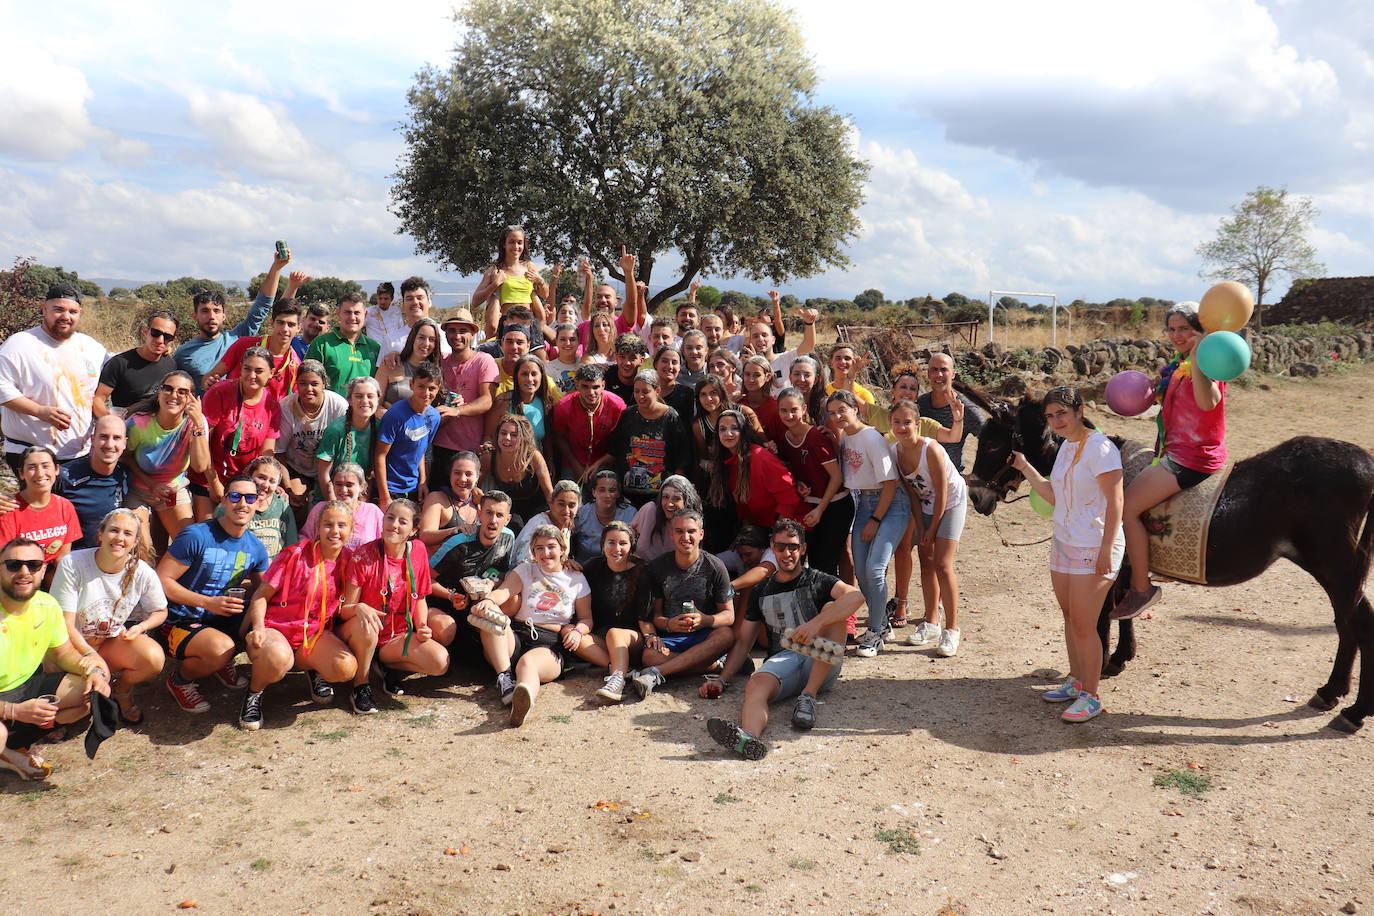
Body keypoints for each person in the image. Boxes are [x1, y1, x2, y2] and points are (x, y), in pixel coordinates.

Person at [1011, 386, 1125, 723]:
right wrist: (1026, 468)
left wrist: (1107, 549)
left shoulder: (1101, 448)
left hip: (1094, 544)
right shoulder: (1065, 447)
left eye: (1061, 413)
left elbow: (1116, 501)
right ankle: (1077, 681)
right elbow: (1054, 495)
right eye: (1050, 416)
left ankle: (1092, 696)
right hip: (1064, 541)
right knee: (1070, 617)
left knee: (1084, 624)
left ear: (1079, 410)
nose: (1056, 420)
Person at [705, 519, 865, 759]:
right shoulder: (761, 590)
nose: (787, 553)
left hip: (820, 659)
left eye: (793, 547)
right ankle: (748, 738)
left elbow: (856, 596)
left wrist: (816, 623)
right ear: (772, 548)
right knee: (755, 685)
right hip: (784, 659)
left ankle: (808, 696)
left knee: (833, 609)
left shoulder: (818, 579)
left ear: (803, 549)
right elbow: (744, 641)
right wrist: (722, 679)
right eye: (781, 547)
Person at [1113, 303, 1228, 621]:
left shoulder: (1207, 363)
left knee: (1126, 509)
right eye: (1172, 329)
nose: (1177, 335)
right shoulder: (1178, 365)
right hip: (1176, 452)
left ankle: (1141, 588)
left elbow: (1209, 402)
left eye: (1184, 329)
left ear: (1200, 332)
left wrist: (1199, 358)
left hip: (1191, 458)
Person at [240, 501, 375, 728]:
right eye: (328, 524)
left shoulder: (349, 561)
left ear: (351, 530)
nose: (334, 531)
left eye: (342, 525)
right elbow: (261, 595)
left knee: (345, 668)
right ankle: (254, 693)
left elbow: (344, 606)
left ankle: (313, 667)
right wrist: (259, 627)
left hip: (313, 634)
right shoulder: (295, 554)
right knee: (278, 658)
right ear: (317, 528)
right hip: (277, 629)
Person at [155, 476, 270, 714]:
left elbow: (263, 592)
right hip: (179, 620)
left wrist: (258, 623)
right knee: (220, 649)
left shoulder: (256, 547)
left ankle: (221, 661)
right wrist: (208, 602)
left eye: (250, 498)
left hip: (220, 617)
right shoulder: (197, 536)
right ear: (224, 501)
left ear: (258, 503)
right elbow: (162, 581)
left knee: (265, 624)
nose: (243, 503)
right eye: (235, 496)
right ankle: (180, 680)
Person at [0, 538, 111, 781]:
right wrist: (14, 710)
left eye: (33, 565)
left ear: (43, 571)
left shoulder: (46, 604)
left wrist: (92, 671)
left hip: (24, 687)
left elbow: (63, 653)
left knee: (89, 694)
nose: (24, 572)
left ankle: (14, 746)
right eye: (13, 565)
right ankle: (7, 748)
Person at [50, 509, 166, 724]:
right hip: (69, 648)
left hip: (107, 642)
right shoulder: (73, 563)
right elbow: (64, 625)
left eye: (128, 533)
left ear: (135, 541)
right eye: (114, 530)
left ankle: (121, 690)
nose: (120, 538)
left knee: (153, 658)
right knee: (82, 702)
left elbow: (160, 611)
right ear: (100, 534)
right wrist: (91, 657)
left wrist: (140, 627)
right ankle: (61, 705)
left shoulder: (142, 571)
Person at [469, 524, 592, 726]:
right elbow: (504, 592)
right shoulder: (526, 570)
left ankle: (523, 699)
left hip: (549, 643)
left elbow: (587, 619)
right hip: (515, 636)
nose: (545, 553)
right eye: (539, 548)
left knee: (528, 663)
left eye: (551, 547)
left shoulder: (576, 578)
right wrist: (489, 601)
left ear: (562, 549)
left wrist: (578, 631)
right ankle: (506, 680)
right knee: (492, 618)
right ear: (533, 551)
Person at [829, 390, 910, 659]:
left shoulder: (872, 437)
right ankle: (882, 625)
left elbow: (890, 483)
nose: (837, 416)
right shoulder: (845, 437)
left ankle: (875, 632)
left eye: (842, 410)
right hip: (865, 501)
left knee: (875, 570)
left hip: (891, 503)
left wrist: (875, 520)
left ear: (855, 408)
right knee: (862, 572)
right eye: (832, 413)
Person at [339, 499, 447, 701]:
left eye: (402, 521)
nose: (394, 525)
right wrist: (359, 608)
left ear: (413, 530)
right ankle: (361, 684)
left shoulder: (418, 551)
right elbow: (345, 611)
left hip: (395, 636)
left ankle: (386, 664)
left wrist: (422, 626)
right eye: (390, 518)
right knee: (368, 627)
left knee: (439, 662)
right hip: (361, 631)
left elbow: (420, 597)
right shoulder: (362, 556)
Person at [890, 399, 968, 657]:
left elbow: (943, 492)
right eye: (896, 422)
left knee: (943, 564)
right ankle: (931, 622)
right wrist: (921, 525)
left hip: (951, 502)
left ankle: (952, 629)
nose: (902, 427)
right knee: (927, 561)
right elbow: (913, 494)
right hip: (924, 505)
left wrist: (932, 529)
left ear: (918, 424)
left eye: (907, 422)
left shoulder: (930, 449)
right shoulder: (895, 452)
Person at [0, 284, 107, 470]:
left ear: (80, 313)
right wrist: (39, 411)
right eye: (58, 309)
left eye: (72, 311)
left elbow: (118, 368)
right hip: (30, 454)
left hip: (79, 456)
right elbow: (2, 387)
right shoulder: (19, 344)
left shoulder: (90, 347)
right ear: (44, 309)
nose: (66, 316)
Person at [631, 510, 736, 697]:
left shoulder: (715, 566)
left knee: (726, 635)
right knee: (649, 656)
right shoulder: (658, 567)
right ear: (671, 534)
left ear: (701, 534)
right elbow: (655, 615)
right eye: (679, 531)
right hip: (673, 636)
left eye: (691, 531)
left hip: (705, 635)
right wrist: (669, 624)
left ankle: (657, 673)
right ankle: (713, 665)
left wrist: (705, 620)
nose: (685, 537)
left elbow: (729, 615)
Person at [175, 247, 286, 390]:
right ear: (194, 315)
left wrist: (276, 268)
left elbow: (262, 306)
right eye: (205, 311)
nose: (211, 316)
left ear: (224, 315)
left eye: (216, 311)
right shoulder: (183, 353)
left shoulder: (238, 338)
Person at [192, 346, 282, 520]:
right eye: (247, 369)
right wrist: (214, 483)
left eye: (259, 371)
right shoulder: (219, 392)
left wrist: (270, 482)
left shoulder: (272, 405)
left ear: (271, 373)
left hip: (244, 484)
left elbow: (266, 454)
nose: (252, 375)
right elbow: (202, 443)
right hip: (208, 478)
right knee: (209, 530)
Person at [123, 370, 211, 541]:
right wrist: (152, 485)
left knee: (188, 544)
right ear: (159, 393)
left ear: (191, 398)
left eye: (182, 392)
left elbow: (200, 466)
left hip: (173, 489)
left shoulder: (195, 422)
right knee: (142, 548)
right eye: (168, 389)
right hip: (138, 489)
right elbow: (125, 457)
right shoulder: (139, 423)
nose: (174, 395)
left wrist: (198, 424)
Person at [774, 387, 849, 576]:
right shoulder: (784, 439)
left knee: (825, 566)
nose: (789, 415)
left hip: (834, 505)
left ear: (804, 409)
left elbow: (837, 477)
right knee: (812, 564)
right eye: (784, 410)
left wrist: (820, 509)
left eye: (794, 410)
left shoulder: (815, 437)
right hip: (810, 506)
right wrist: (798, 482)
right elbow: (796, 470)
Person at [594, 371, 692, 507]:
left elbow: (681, 458)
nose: (640, 396)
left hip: (659, 496)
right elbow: (614, 450)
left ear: (657, 391)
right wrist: (597, 465)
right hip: (627, 495)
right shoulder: (628, 414)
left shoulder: (670, 417)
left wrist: (676, 488)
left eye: (645, 392)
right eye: (636, 391)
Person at [581, 521, 654, 703]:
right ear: (602, 545)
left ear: (631, 546)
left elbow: (644, 617)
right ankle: (622, 669)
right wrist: (567, 564)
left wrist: (651, 636)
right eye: (611, 543)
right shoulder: (592, 567)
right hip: (601, 639)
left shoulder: (643, 572)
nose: (617, 549)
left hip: (632, 638)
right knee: (570, 632)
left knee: (615, 633)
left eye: (623, 543)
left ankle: (617, 681)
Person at [429, 490, 516, 628]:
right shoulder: (458, 543)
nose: (493, 520)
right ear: (479, 513)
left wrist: (492, 583)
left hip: (479, 605)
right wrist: (451, 596)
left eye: (499, 515)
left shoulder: (508, 538)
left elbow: (503, 575)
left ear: (507, 519)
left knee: (514, 600)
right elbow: (425, 579)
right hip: (446, 605)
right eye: (489, 513)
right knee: (447, 630)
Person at [709, 409, 804, 530]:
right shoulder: (727, 460)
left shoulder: (760, 457)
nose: (728, 433)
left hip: (788, 526)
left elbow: (789, 498)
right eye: (722, 429)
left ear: (743, 431)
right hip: (758, 525)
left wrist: (777, 534)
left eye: (735, 428)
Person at [433, 309, 498, 484]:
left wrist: (458, 411)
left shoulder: (484, 361)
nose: (457, 336)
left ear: (473, 333)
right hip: (438, 445)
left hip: (470, 449)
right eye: (452, 331)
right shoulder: (440, 362)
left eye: (463, 331)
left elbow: (487, 400)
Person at [52, 415, 134, 549]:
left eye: (116, 438)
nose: (109, 445)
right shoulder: (64, 476)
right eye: (103, 437)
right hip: (72, 556)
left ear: (124, 443)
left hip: (111, 554)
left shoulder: (127, 474)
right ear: (92, 439)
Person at [0, 447, 81, 582]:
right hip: (17, 576)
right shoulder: (9, 510)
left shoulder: (65, 507)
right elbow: (6, 563)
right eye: (32, 467)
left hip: (49, 576)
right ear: (21, 473)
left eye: (45, 466)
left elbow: (61, 559)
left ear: (56, 470)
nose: (40, 474)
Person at [275, 360, 347, 510]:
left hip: (330, 469)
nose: (309, 389)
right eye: (303, 383)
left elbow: (346, 447)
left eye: (314, 384)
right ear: (296, 384)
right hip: (297, 468)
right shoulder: (286, 407)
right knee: (296, 504)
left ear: (324, 384)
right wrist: (288, 489)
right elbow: (279, 453)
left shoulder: (338, 405)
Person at [202, 298, 303, 400]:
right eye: (280, 322)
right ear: (272, 323)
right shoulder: (244, 345)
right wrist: (209, 383)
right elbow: (208, 378)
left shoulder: (295, 366)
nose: (285, 329)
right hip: (229, 408)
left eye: (291, 325)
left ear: (299, 328)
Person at [374, 362, 443, 508]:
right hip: (390, 486)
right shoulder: (395, 415)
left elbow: (421, 449)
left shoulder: (434, 417)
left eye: (431, 388)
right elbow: (380, 455)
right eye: (421, 386)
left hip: (413, 487)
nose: (426, 393)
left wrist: (423, 481)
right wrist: (384, 497)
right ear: (411, 385)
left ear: (439, 389)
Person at [473, 226, 552, 350]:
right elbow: (475, 301)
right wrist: (495, 284)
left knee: (537, 358)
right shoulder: (495, 269)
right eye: (511, 242)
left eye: (519, 242)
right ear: (504, 244)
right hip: (507, 324)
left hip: (528, 323)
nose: (516, 246)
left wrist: (540, 280)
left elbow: (545, 294)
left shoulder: (530, 266)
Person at [93, 309, 178, 417]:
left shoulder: (171, 365)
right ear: (146, 331)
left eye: (167, 337)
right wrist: (111, 423)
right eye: (155, 333)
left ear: (173, 340)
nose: (160, 340)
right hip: (126, 425)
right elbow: (99, 398)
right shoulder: (119, 363)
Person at [550, 365, 625, 482]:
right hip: (573, 461)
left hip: (605, 461)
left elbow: (620, 441)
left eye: (596, 387)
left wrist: (601, 463)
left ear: (603, 385)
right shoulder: (564, 406)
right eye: (585, 386)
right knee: (566, 491)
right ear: (577, 385)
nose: (591, 392)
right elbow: (559, 437)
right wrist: (576, 466)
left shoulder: (617, 405)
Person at [215, 456, 296, 561]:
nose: (265, 485)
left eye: (272, 481)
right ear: (249, 475)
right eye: (261, 477)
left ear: (277, 485)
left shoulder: (282, 506)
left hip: (275, 568)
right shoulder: (231, 505)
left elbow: (292, 546)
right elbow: (218, 546)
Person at [480, 414, 553, 529]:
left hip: (537, 509)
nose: (507, 438)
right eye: (503, 433)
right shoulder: (489, 457)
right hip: (509, 511)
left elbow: (550, 494)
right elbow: (474, 485)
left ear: (523, 438)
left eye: (514, 435)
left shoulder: (533, 457)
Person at [918, 352, 986, 472]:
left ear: (953, 374)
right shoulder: (920, 404)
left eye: (944, 370)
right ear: (928, 374)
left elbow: (990, 442)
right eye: (934, 370)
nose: (939, 374)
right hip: (921, 477)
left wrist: (974, 475)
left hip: (951, 477)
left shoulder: (966, 408)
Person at [315, 376, 380, 500]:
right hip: (333, 496)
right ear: (349, 399)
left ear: (378, 399)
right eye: (359, 396)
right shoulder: (335, 430)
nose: (365, 401)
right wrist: (334, 505)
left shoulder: (380, 428)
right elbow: (324, 474)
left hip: (362, 496)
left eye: (370, 396)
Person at [306, 293, 381, 395]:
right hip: (330, 405)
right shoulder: (321, 344)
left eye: (357, 313)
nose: (352, 317)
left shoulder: (375, 348)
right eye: (347, 312)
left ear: (365, 314)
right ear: (338, 313)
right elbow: (307, 382)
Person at [484, 354, 556, 459]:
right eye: (524, 374)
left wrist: (549, 462)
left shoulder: (545, 402)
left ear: (542, 376)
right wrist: (488, 455)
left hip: (534, 463)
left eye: (534, 374)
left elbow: (547, 441)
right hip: (504, 462)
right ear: (516, 377)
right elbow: (488, 436)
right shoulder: (503, 401)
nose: (529, 379)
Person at [303, 462, 382, 551]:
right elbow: (305, 540)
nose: (343, 490)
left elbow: (383, 544)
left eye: (349, 485)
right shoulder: (320, 509)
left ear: (362, 487)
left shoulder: (372, 512)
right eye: (339, 484)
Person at [420, 451, 484, 555]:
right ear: (450, 474)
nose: (462, 479)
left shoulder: (480, 503)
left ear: (477, 477)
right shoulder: (437, 499)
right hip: (440, 564)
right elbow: (425, 536)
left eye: (468, 474)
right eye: (457, 473)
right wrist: (454, 531)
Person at [629, 474, 702, 563]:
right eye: (665, 497)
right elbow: (627, 539)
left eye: (676, 498)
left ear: (687, 501)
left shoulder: (692, 523)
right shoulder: (649, 511)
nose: (669, 504)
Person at [572, 470, 637, 564]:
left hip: (619, 566)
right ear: (594, 492)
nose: (607, 495)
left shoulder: (630, 514)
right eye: (602, 490)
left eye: (612, 490)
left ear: (618, 493)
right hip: (584, 567)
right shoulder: (581, 513)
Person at [510, 480, 581, 565]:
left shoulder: (567, 523)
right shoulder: (539, 525)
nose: (566, 511)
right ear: (551, 503)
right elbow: (524, 562)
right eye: (561, 504)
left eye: (572, 505)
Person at [377, 318, 442, 411]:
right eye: (421, 338)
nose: (426, 343)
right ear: (412, 338)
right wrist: (390, 415)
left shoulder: (437, 371)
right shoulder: (391, 365)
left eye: (432, 340)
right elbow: (374, 403)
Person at [787, 355, 830, 433]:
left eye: (807, 375)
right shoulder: (786, 403)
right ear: (790, 378)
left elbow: (837, 438)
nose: (801, 379)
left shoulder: (826, 406)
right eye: (797, 374)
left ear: (816, 379)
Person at [365, 281, 408, 357]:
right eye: (380, 298)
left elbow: (401, 332)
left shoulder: (396, 311)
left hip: (393, 354)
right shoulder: (369, 312)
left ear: (392, 298)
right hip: (374, 353)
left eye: (386, 299)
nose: (382, 301)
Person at [652, 346, 695, 419]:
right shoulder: (645, 389)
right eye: (665, 361)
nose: (670, 366)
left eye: (674, 362)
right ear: (656, 364)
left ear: (680, 367)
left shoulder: (686, 394)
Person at [605, 333, 648, 404]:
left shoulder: (647, 382)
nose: (627, 363)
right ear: (616, 357)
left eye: (632, 358)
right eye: (622, 357)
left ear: (641, 360)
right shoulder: (604, 377)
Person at [546, 323, 582, 392]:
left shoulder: (584, 364)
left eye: (572, 339)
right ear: (556, 341)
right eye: (562, 339)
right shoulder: (548, 369)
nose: (568, 343)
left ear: (578, 342)